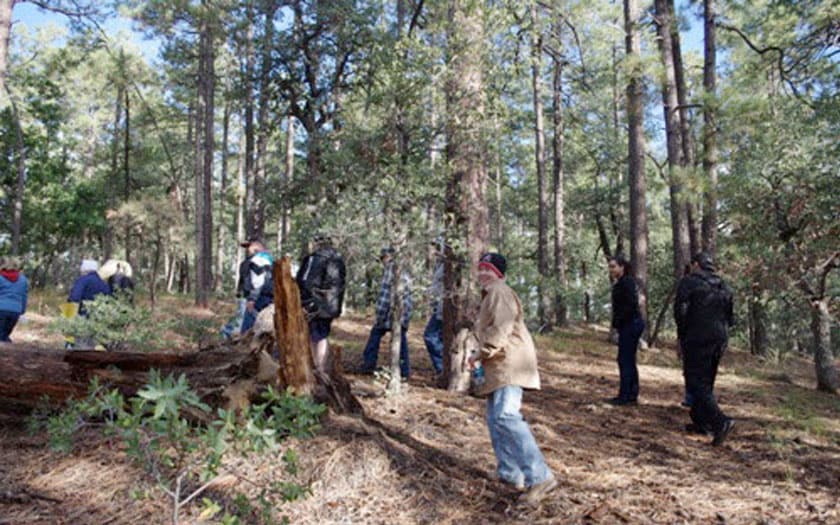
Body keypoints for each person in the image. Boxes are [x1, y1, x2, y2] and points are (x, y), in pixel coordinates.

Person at [468, 252, 557, 506]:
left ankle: (540, 477)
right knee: (495, 419)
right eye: (481, 268)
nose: (483, 273)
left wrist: (480, 353)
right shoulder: (490, 294)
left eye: (488, 269)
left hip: (511, 363)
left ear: (499, 273)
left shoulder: (499, 291)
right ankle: (509, 473)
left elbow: (502, 328)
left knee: (506, 416)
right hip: (499, 365)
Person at [674, 252, 736, 446]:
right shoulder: (724, 285)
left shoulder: (689, 282)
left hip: (697, 337)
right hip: (720, 338)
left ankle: (720, 421)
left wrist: (682, 335)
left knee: (695, 381)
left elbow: (680, 311)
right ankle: (702, 422)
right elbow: (731, 317)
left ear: (695, 265)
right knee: (707, 380)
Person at [360, 247, 414, 378]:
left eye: (383, 258)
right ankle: (404, 371)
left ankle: (368, 365)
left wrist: (379, 316)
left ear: (387, 257)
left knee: (376, 334)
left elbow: (385, 298)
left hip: (392, 314)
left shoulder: (391, 270)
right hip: (403, 313)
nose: (382, 261)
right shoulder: (404, 271)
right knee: (400, 339)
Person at [297, 234, 346, 373]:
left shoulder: (315, 259)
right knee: (319, 335)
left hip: (316, 305)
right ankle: (318, 367)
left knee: (316, 336)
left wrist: (306, 303)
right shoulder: (337, 259)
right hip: (328, 306)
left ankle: (318, 368)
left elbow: (306, 282)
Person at [607, 256, 645, 405]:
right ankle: (630, 394)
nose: (611, 269)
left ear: (622, 267)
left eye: (613, 266)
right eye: (610, 266)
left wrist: (619, 322)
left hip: (631, 324)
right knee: (627, 359)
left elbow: (630, 305)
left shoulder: (627, 283)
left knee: (625, 359)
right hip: (629, 324)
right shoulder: (623, 283)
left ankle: (626, 395)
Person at [239, 239, 275, 333]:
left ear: (258, 245)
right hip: (264, 297)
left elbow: (258, 280)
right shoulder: (267, 258)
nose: (248, 249)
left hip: (260, 298)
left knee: (248, 330)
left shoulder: (259, 259)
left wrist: (252, 299)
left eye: (249, 246)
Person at [422, 241, 445, 376]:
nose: (435, 251)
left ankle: (443, 367)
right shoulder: (439, 264)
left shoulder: (448, 265)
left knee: (430, 336)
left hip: (444, 309)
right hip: (438, 308)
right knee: (439, 338)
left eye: (438, 247)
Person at [0, 256, 29, 343]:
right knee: (4, 335)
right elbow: (24, 297)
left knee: (2, 336)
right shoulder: (23, 280)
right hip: (15, 311)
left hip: (1, 309)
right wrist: (22, 311)